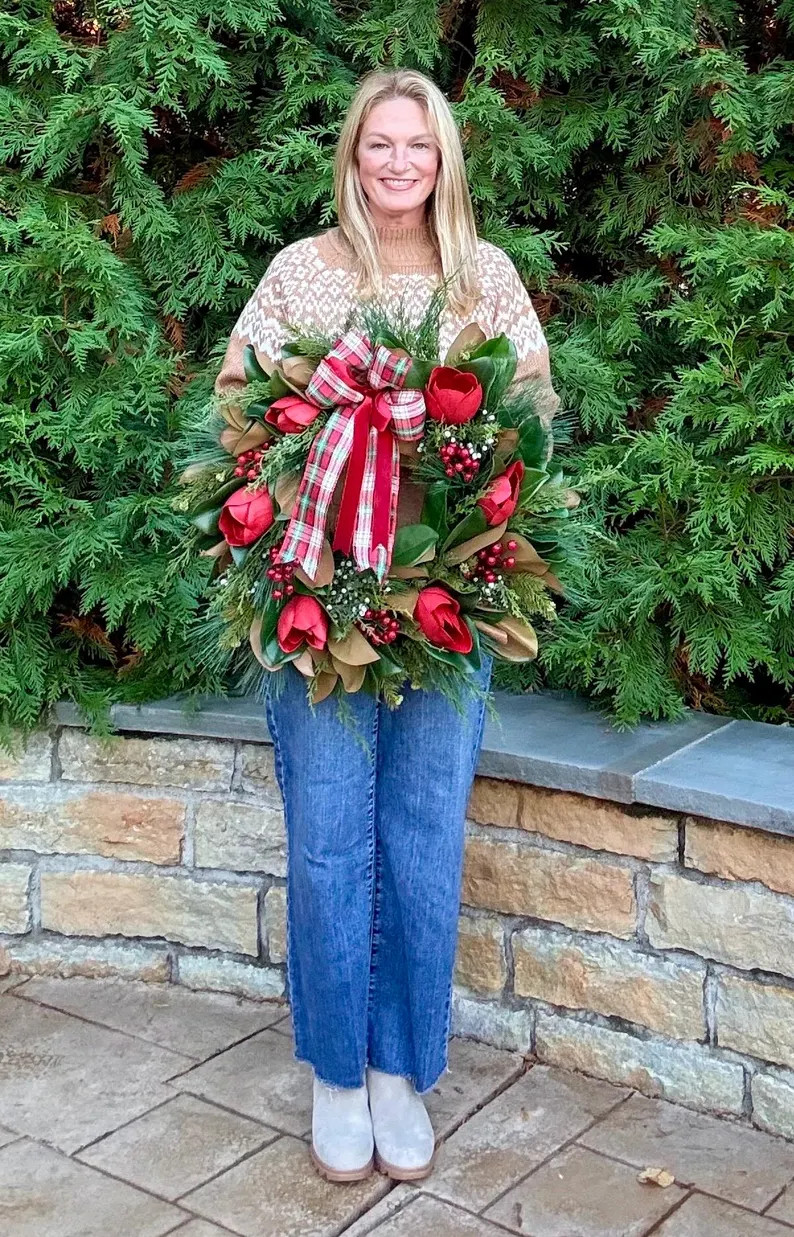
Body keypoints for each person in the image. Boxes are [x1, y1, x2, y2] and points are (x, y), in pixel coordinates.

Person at [214, 67, 559, 1185]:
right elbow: (236, 404)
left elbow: (533, 420)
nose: (399, 163)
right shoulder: (301, 273)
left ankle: (400, 1066)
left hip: (448, 602)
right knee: (327, 833)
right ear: (353, 159)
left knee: (422, 830)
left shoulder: (483, 277)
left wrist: (457, 464)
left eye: (418, 144)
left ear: (443, 157)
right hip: (318, 601)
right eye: (380, 144)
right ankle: (335, 1068)